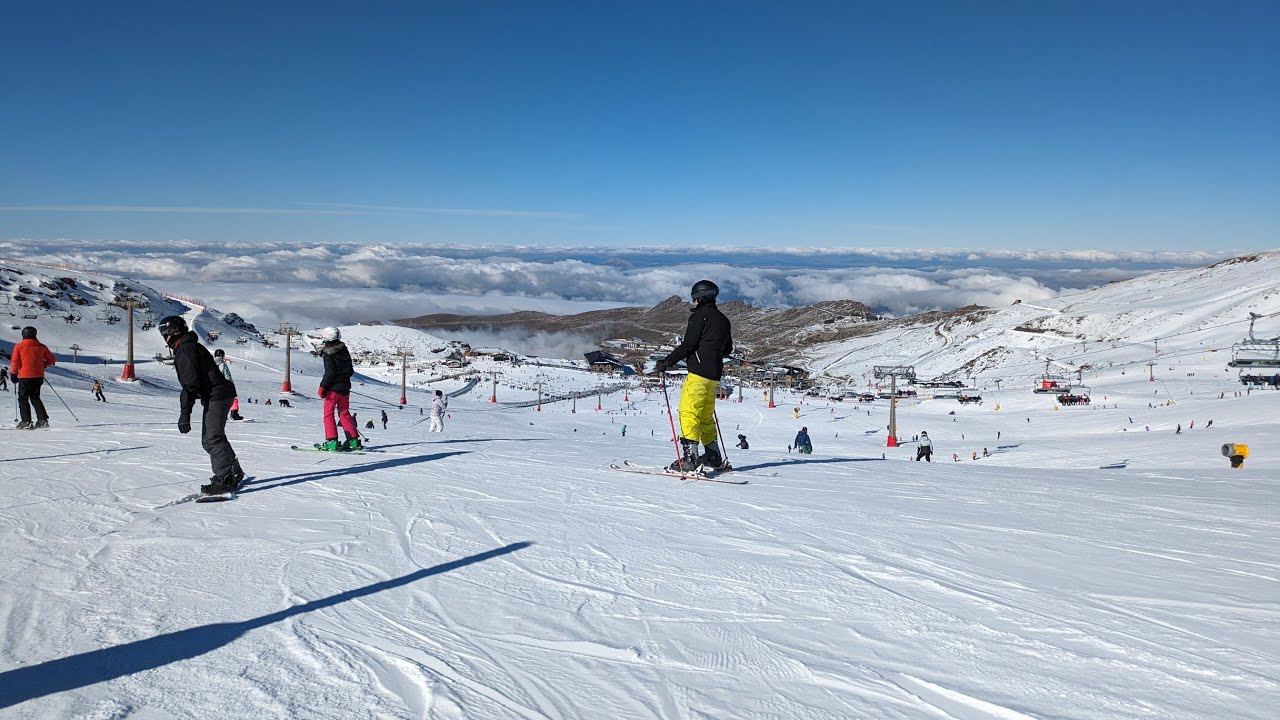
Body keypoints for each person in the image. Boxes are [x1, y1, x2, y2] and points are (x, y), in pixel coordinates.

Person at [157, 316, 244, 495]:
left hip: (217, 394)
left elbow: (190, 385)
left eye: (163, 333)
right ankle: (233, 470)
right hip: (219, 393)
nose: (163, 337)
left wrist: (185, 414)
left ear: (171, 332)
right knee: (214, 437)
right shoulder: (189, 346)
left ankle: (225, 479)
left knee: (212, 438)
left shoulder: (185, 349)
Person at [654, 280, 734, 471]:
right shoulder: (723, 319)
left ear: (698, 297)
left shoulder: (698, 317)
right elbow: (728, 348)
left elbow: (688, 345)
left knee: (689, 412)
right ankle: (713, 455)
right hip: (714, 375)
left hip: (698, 373)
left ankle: (690, 459)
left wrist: (667, 362)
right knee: (705, 415)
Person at [316, 327, 361, 451]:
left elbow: (330, 372)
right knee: (344, 412)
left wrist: (323, 387)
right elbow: (350, 371)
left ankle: (332, 441)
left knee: (328, 414)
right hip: (345, 387)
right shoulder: (344, 350)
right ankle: (353, 440)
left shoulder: (328, 353)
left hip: (333, 389)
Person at [11, 326, 56, 429]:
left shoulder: (19, 346)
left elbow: (15, 361)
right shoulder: (42, 347)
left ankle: (26, 422)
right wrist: (43, 365)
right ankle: (42, 420)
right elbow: (52, 359)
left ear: (23, 334)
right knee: (35, 397)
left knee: (23, 398)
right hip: (38, 376)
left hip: (25, 376)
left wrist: (13, 374)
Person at [213, 349, 244, 420]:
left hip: (212, 387)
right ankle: (234, 414)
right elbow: (227, 376)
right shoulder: (222, 364)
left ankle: (217, 414)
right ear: (222, 356)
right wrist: (231, 387)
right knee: (233, 399)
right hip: (222, 386)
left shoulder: (211, 364)